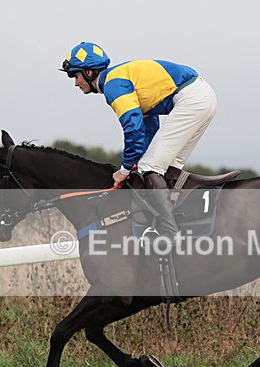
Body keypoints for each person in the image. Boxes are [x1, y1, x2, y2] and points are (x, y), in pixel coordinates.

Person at [60, 42, 217, 245]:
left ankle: (169, 234)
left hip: (192, 100)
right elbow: (148, 127)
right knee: (163, 168)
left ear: (89, 72)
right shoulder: (120, 79)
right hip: (201, 97)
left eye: (75, 75)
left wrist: (125, 169)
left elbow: (133, 129)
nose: (75, 83)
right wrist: (137, 162)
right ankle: (178, 221)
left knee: (150, 167)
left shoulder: (113, 86)